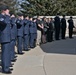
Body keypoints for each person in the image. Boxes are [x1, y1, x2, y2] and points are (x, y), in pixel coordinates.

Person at [0, 5, 12, 74]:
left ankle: (7, 66)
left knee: (7, 53)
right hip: (4, 38)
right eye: (7, 10)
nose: (8, 11)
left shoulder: (5, 17)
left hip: (7, 37)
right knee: (5, 54)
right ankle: (5, 69)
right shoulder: (1, 17)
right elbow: (4, 23)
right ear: (4, 10)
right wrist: (7, 16)